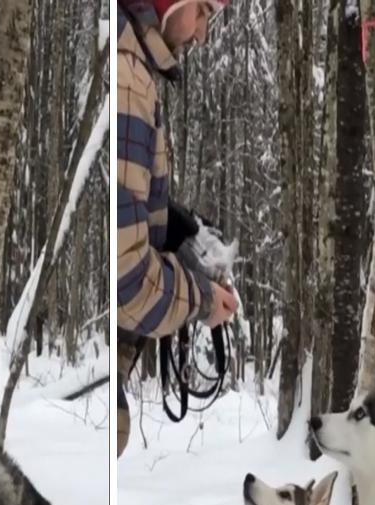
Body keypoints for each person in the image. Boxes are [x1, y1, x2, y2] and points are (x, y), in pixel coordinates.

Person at [116, 0, 240, 457]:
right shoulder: (129, 81)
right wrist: (202, 301)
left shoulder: (134, 72)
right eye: (203, 12)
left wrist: (175, 231)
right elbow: (127, 284)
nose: (202, 34)